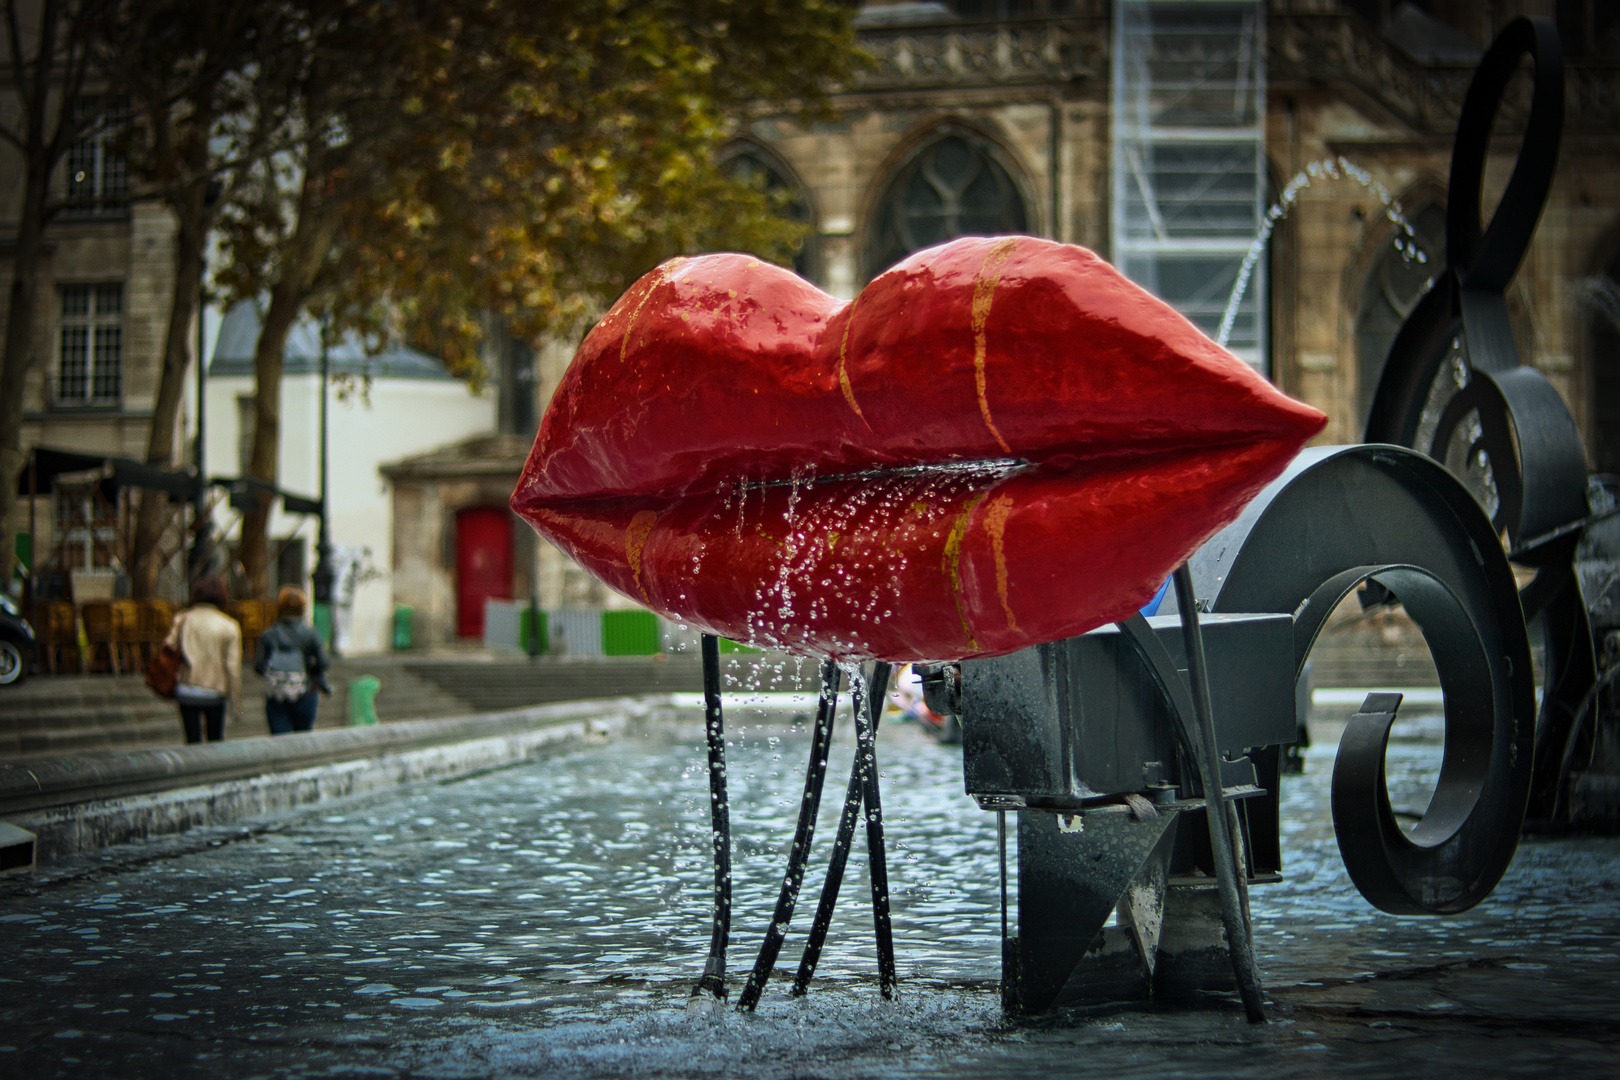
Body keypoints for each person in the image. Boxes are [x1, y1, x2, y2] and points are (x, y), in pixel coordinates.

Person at [166, 575, 242, 744]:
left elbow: (168, 647)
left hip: (187, 687)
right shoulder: (229, 625)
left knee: (192, 740)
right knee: (215, 739)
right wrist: (236, 703)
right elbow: (233, 667)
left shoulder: (182, 619)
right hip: (215, 690)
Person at [255, 586, 331, 735]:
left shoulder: (270, 634)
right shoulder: (310, 634)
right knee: (303, 738)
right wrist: (310, 670)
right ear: (303, 607)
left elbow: (259, 666)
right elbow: (324, 662)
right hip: (305, 692)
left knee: (279, 739)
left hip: (277, 695)